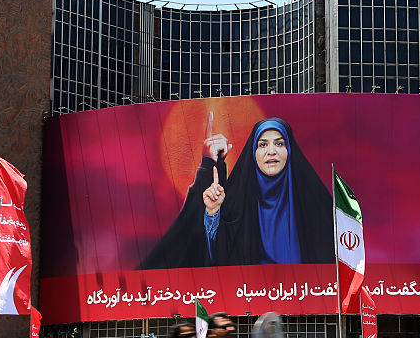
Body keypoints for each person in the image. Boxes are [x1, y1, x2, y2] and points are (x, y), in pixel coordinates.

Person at [138, 115, 333, 269]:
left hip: (305, 300)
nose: (271, 151)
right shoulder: (235, 201)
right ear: (253, 153)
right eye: (263, 144)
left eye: (279, 143)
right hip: (250, 300)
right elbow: (215, 257)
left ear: (290, 150)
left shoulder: (314, 202)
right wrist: (213, 213)